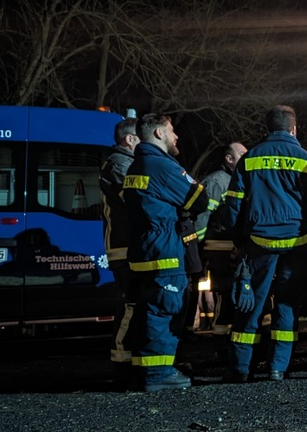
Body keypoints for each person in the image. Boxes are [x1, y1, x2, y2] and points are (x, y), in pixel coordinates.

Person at [218, 106, 307, 383]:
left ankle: (241, 369)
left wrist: (239, 239)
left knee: (250, 306)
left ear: (269, 129)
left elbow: (233, 206)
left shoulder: (250, 159)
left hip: (259, 244)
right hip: (296, 245)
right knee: (287, 306)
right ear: (294, 129)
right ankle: (278, 367)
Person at [122, 114, 210, 392]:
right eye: (172, 131)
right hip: (165, 252)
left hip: (144, 251)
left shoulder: (136, 165)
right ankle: (158, 374)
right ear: (159, 134)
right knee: (165, 309)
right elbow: (199, 198)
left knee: (147, 311)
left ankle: (143, 369)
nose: (176, 137)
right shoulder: (161, 166)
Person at [100, 117, 140, 377]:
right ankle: (121, 359)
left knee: (136, 302)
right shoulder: (119, 164)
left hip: (129, 244)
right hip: (123, 246)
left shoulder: (123, 162)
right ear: (129, 139)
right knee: (130, 303)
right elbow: (137, 198)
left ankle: (130, 357)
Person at [197, 142, 248, 346]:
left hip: (238, 248)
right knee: (225, 296)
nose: (247, 156)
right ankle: (221, 343)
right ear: (229, 159)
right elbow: (202, 217)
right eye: (242, 153)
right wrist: (199, 247)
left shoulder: (242, 180)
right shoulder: (217, 182)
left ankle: (236, 341)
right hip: (220, 250)